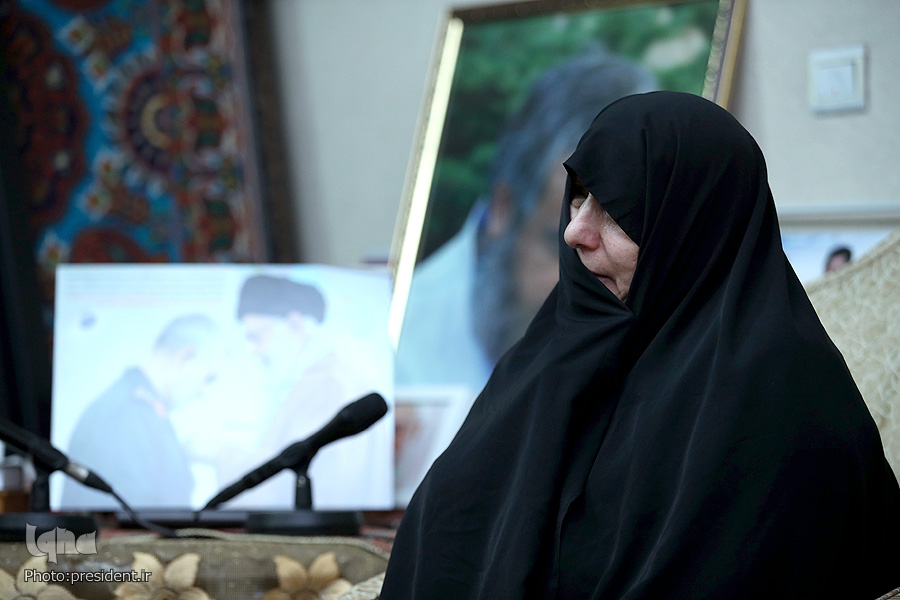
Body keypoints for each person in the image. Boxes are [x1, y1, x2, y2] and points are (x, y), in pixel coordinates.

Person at [381, 92, 900, 598]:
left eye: (614, 208)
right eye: (579, 196)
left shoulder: (778, 401)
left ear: (694, 225)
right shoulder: (550, 355)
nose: (575, 231)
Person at [395, 49, 656, 396]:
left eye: (624, 246)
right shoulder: (398, 350)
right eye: (566, 247)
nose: (592, 289)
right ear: (503, 208)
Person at [228, 274, 387, 509]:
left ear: (294, 324)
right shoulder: (318, 376)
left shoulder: (328, 383)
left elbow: (284, 488)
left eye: (256, 336)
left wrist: (221, 454)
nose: (252, 350)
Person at [61, 314, 219, 508]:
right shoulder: (121, 416)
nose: (204, 392)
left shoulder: (142, 411)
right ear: (185, 356)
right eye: (209, 378)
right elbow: (128, 513)